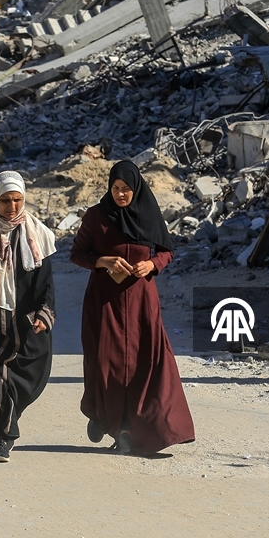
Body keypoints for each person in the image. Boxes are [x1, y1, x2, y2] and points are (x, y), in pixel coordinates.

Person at [71, 160, 195, 455]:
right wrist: (103, 261)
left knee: (144, 364)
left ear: (136, 189)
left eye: (126, 189)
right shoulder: (96, 217)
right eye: (115, 189)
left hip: (141, 301)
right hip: (105, 302)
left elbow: (167, 252)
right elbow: (77, 254)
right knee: (106, 364)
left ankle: (127, 428)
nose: (121, 195)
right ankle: (102, 415)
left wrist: (151, 263)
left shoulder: (148, 214)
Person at [0, 171, 57, 463]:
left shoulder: (40, 235)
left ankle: (4, 430)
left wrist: (43, 315)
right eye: (5, 200)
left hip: (26, 323)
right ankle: (4, 439)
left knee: (12, 380)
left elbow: (46, 284)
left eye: (17, 200)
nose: (11, 206)